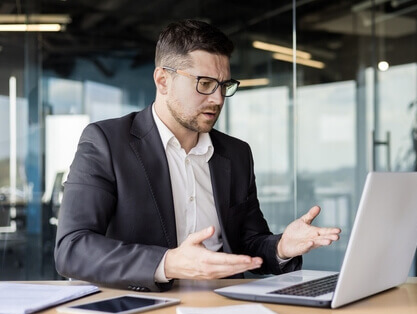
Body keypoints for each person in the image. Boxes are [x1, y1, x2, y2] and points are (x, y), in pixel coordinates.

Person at [54, 19, 341, 292]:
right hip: (143, 305)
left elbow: (248, 244)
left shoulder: (236, 154)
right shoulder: (107, 142)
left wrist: (281, 247)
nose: (217, 99)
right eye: (204, 83)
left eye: (224, 85)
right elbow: (72, 248)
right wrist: (168, 263)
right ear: (163, 81)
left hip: (227, 307)